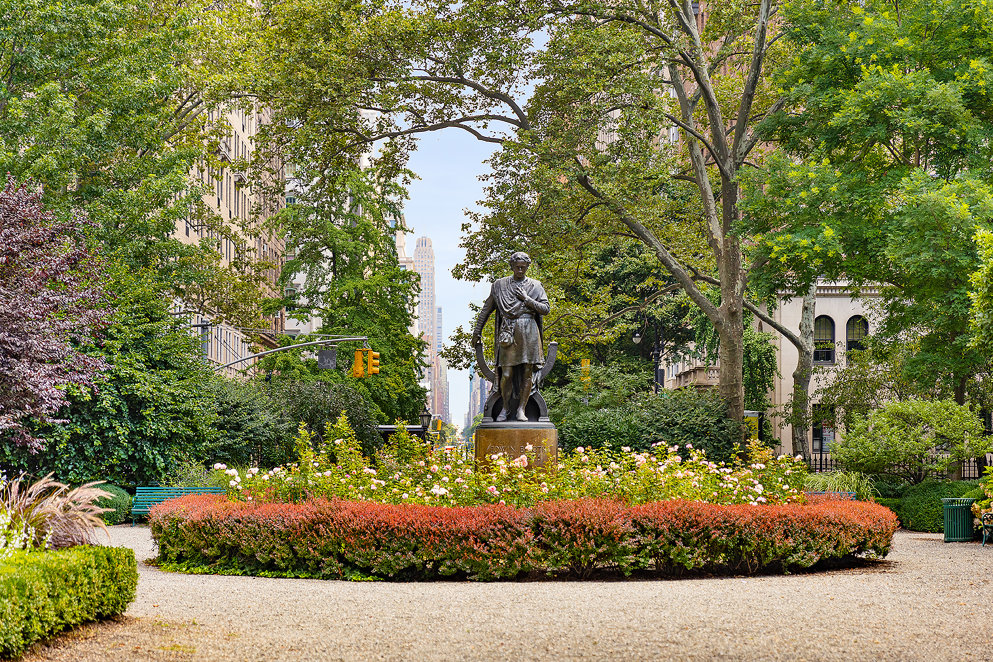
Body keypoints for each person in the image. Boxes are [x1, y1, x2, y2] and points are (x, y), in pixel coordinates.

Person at [471, 252, 550, 422]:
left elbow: (545, 308)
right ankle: (506, 407)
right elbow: (487, 309)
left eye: (524, 267)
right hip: (508, 333)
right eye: (517, 267)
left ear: (528, 267)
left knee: (527, 373)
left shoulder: (536, 286)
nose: (520, 270)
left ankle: (521, 409)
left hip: (529, 332)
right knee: (506, 373)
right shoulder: (499, 285)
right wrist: (477, 331)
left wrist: (527, 299)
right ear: (512, 266)